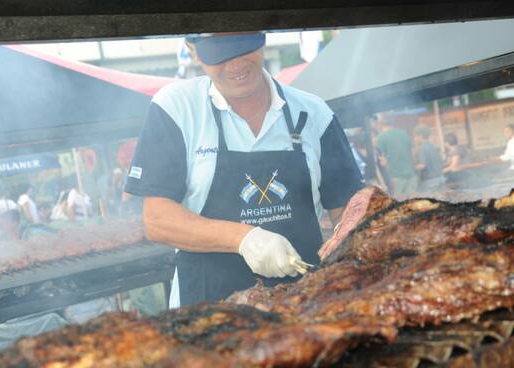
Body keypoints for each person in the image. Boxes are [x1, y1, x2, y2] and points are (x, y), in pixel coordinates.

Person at [124, 32, 363, 307]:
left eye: (242, 48)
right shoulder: (177, 108)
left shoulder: (313, 113)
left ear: (262, 39)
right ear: (193, 50)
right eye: (219, 55)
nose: (234, 64)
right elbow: (157, 220)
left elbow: (346, 207)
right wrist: (244, 238)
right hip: (208, 312)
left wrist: (352, 250)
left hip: (304, 306)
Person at [375, 115, 417, 196]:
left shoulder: (380, 138)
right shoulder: (403, 133)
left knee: (399, 205)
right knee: (413, 203)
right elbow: (413, 152)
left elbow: (382, 161)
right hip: (411, 174)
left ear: (380, 124)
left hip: (395, 177)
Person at [413, 124, 445, 192]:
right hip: (440, 179)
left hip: (429, 182)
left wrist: (412, 167)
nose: (414, 139)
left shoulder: (421, 148)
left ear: (420, 136)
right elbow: (441, 161)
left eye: (415, 136)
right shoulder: (434, 147)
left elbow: (422, 165)